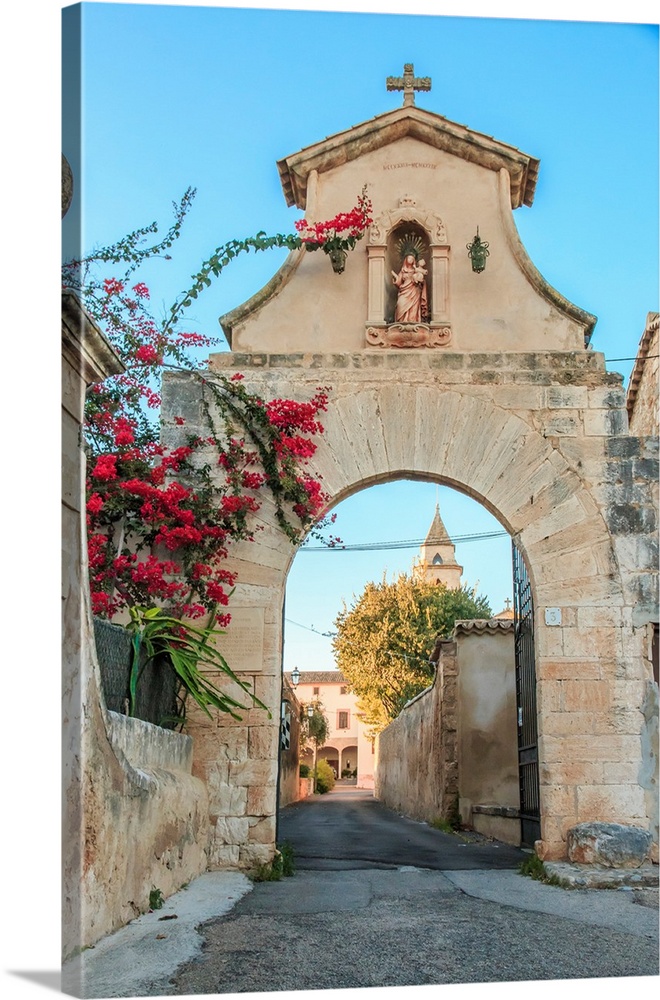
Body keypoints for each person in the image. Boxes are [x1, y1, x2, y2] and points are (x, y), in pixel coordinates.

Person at [391, 253, 429, 323]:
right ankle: (402, 321)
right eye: (409, 258)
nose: (410, 260)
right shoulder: (403, 270)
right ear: (406, 260)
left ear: (414, 260)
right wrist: (396, 278)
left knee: (413, 309)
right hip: (404, 290)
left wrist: (419, 279)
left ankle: (412, 320)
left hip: (414, 291)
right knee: (400, 303)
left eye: (412, 259)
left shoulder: (416, 270)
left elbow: (422, 276)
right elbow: (399, 282)